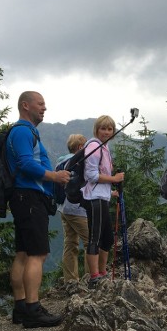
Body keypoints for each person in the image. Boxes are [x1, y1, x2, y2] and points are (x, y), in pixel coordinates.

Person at [7, 91, 70, 328]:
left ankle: (21, 307)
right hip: (30, 198)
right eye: (40, 104)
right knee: (38, 254)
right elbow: (25, 163)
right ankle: (33, 310)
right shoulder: (23, 131)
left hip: (22, 198)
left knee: (23, 253)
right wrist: (54, 175)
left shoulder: (24, 131)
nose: (44, 108)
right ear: (26, 106)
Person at [81, 115, 124, 287]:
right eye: (103, 128)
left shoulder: (104, 147)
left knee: (106, 238)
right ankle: (94, 277)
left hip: (102, 197)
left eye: (110, 129)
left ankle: (103, 272)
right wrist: (114, 179)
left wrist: (110, 191)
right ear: (96, 130)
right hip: (94, 198)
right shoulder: (94, 146)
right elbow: (90, 175)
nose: (106, 132)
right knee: (95, 237)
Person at [57, 134, 91, 283]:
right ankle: (92, 277)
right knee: (91, 240)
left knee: (70, 242)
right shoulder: (79, 162)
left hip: (63, 208)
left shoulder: (61, 162)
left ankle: (70, 280)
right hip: (77, 208)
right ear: (80, 148)